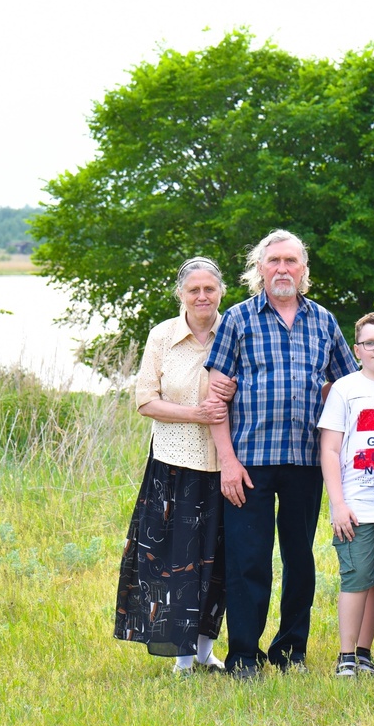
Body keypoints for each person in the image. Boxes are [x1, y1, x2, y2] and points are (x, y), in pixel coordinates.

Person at [205, 230, 359, 679]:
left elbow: (347, 387)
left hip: (307, 461)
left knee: (299, 558)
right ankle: (244, 656)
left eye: (291, 261)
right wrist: (227, 461)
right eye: (273, 261)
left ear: (304, 269)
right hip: (249, 461)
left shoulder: (324, 322)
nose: (283, 269)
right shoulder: (236, 320)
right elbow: (216, 399)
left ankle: (290, 650)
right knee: (248, 560)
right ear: (260, 269)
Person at [114, 256, 233, 674]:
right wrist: (196, 414)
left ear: (221, 291)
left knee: (218, 560)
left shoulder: (236, 329)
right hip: (174, 464)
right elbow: (146, 400)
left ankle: (204, 650)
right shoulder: (162, 335)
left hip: (226, 465)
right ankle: (181, 657)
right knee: (175, 561)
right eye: (193, 290)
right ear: (181, 294)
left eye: (210, 289)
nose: (202, 296)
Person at [318, 312, 374, 677]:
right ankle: (345, 655)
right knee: (357, 577)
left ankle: (365, 651)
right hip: (356, 506)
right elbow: (330, 450)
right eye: (370, 343)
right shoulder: (346, 389)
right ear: (357, 350)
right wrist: (338, 503)